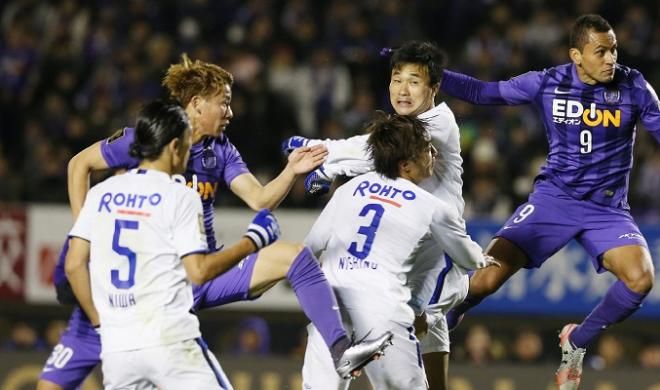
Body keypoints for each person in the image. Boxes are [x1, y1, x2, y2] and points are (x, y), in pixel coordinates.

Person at [438, 14, 660, 390]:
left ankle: (577, 341)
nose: (611, 58)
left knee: (641, 278)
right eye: (601, 51)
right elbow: (486, 92)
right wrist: (434, 71)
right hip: (554, 200)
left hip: (607, 211)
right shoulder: (548, 82)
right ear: (576, 55)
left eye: (614, 49)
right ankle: (446, 319)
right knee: (483, 283)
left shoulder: (634, 86)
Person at [39, 55, 390, 390]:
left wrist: (290, 172)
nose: (230, 112)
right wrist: (84, 230)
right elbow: (77, 165)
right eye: (223, 102)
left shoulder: (220, 150)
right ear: (196, 104)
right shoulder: (145, 141)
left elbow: (260, 199)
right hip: (164, 284)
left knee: (295, 257)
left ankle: (341, 350)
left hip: (204, 268)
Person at [282, 40, 469, 390]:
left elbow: (374, 153)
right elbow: (379, 155)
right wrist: (329, 165)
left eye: (414, 81)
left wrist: (323, 155)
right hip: (399, 245)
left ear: (434, 88)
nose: (403, 89)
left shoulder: (439, 122)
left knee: (424, 315)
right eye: (397, 79)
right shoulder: (397, 130)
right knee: (417, 325)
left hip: (435, 242)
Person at [64, 100, 281, 388]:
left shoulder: (102, 193)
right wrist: (251, 242)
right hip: (168, 339)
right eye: (188, 145)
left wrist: (100, 323)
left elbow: (74, 265)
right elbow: (199, 272)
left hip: (118, 349)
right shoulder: (180, 195)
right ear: (174, 147)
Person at [301, 113, 493, 389]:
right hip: (381, 307)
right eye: (427, 148)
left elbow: (310, 247)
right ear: (406, 165)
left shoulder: (348, 189)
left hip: (330, 304)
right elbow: (465, 255)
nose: (434, 152)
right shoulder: (431, 206)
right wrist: (483, 258)